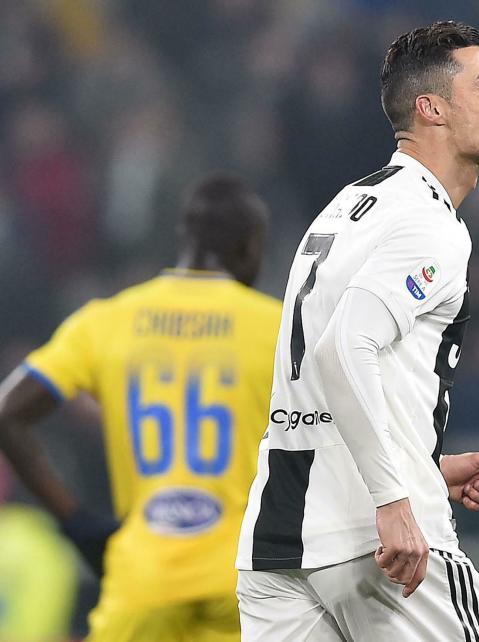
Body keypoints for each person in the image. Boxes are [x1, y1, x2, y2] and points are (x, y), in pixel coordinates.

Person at [236, 20, 479, 641]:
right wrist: (395, 496)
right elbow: (345, 348)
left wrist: (423, 461)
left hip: (278, 540)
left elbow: (327, 372)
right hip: (377, 536)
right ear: (432, 108)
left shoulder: (345, 209)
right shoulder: (429, 224)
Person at [0, 174, 282, 641]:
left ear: (184, 239)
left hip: (145, 573)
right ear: (252, 245)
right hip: (245, 577)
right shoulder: (277, 327)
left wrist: (76, 521)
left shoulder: (109, 320)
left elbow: (8, 412)